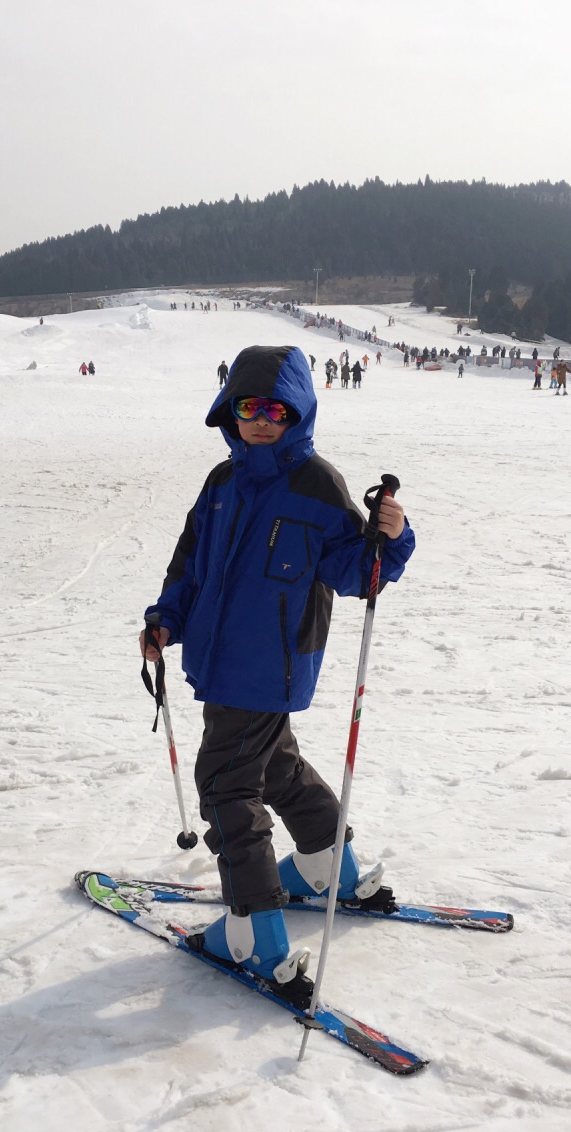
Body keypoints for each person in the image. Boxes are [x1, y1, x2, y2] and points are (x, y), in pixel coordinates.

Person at [138, 345, 414, 1000]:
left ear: (299, 412)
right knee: (275, 766)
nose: (261, 420)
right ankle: (329, 868)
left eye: (276, 409)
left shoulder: (316, 484)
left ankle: (253, 934)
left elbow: (357, 570)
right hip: (217, 657)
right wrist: (165, 617)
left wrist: (390, 537)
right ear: (228, 412)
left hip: (273, 664)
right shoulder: (220, 483)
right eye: (248, 407)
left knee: (227, 785)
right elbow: (190, 561)